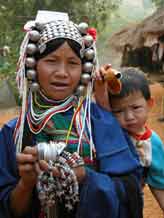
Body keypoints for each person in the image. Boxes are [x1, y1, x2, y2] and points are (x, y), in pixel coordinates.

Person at [0, 11, 143, 218]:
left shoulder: (98, 121)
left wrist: (86, 178)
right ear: (32, 65)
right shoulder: (13, 133)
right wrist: (25, 184)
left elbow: (131, 189)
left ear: (84, 69)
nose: (62, 72)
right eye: (51, 60)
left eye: (73, 63)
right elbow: (8, 209)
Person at [96, 66, 164, 213]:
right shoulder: (110, 132)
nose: (129, 117)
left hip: (131, 205)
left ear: (149, 104)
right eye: (118, 111)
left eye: (136, 107)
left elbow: (159, 184)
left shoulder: (152, 144)